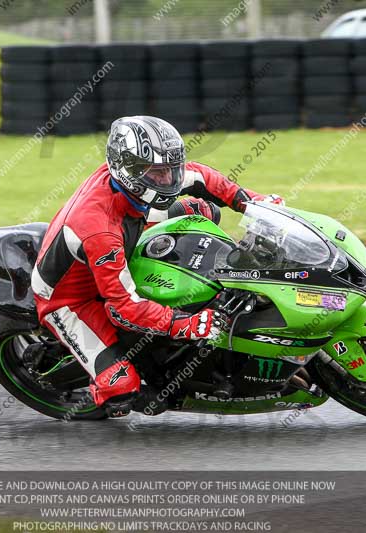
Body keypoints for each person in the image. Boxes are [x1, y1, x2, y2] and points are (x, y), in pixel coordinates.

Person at [32, 116, 283, 417]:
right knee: (120, 389)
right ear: (129, 171)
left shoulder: (139, 181)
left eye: (171, 169)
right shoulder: (99, 230)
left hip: (129, 226)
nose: (168, 179)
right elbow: (124, 306)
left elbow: (203, 177)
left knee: (203, 211)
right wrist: (185, 324)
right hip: (70, 298)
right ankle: (116, 383)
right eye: (158, 173)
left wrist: (253, 203)